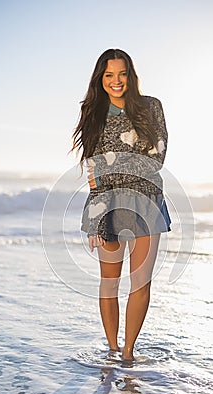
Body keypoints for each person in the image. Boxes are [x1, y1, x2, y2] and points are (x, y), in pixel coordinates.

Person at [72, 49, 171, 361]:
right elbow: (92, 171)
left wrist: (109, 165)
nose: (116, 81)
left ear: (131, 75)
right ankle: (112, 350)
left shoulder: (150, 107)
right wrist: (95, 218)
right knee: (109, 283)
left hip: (147, 200)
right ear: (100, 79)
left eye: (122, 73)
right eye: (109, 75)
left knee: (140, 282)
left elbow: (156, 159)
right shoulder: (92, 113)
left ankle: (128, 353)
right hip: (107, 205)